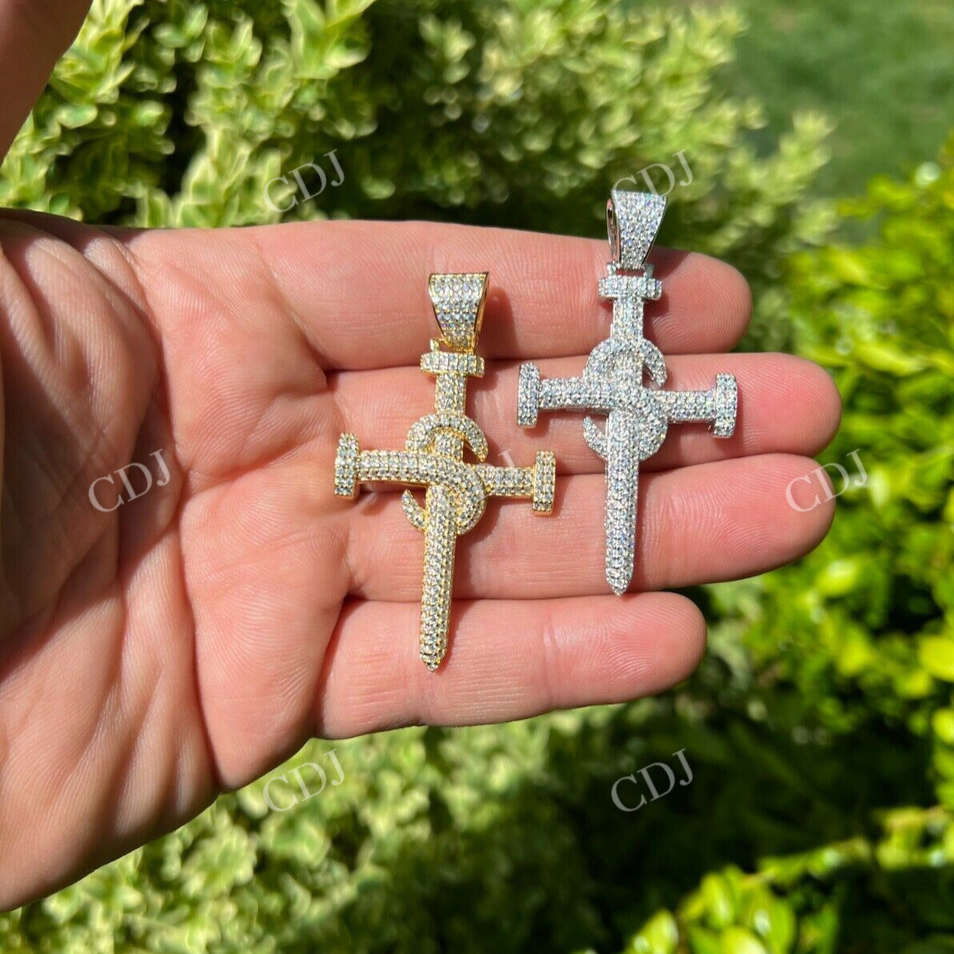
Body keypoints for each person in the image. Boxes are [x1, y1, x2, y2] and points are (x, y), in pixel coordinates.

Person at [0, 0, 841, 912]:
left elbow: (544, 436)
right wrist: (476, 469)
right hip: (458, 460)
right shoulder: (455, 426)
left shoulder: (584, 386)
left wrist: (536, 455)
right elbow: (466, 459)